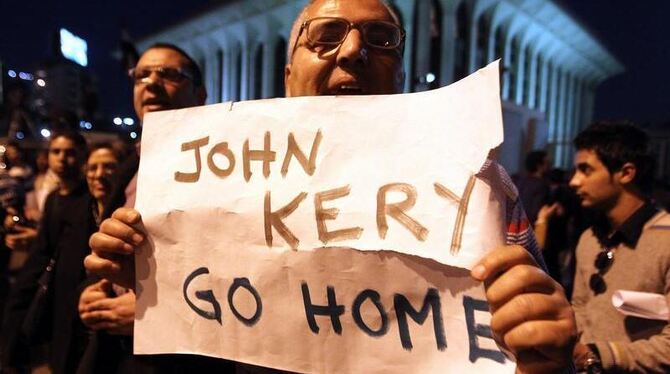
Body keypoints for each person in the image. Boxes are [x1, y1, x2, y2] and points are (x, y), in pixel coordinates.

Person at [86, 1, 577, 372]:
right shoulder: (211, 180)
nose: (353, 50)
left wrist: (543, 348)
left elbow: (524, 333)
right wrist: (155, 284)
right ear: (287, 75)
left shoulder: (480, 182)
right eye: (325, 36)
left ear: (401, 75)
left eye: (381, 38)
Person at [76, 43, 233, 374]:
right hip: (115, 354)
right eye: (141, 75)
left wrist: (158, 312)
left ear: (200, 92)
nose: (151, 83)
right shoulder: (127, 169)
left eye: (170, 74)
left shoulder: (229, 167)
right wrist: (95, 288)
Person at [569, 121, 670, 373]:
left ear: (626, 173)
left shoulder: (665, 238)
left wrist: (597, 355)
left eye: (586, 170)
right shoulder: (588, 238)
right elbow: (580, 306)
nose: (574, 181)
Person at [0, 131, 99, 373]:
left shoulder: (90, 200)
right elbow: (46, 245)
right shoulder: (54, 198)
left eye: (70, 153)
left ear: (81, 157)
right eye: (56, 152)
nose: (62, 158)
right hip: (53, 289)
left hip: (75, 288)